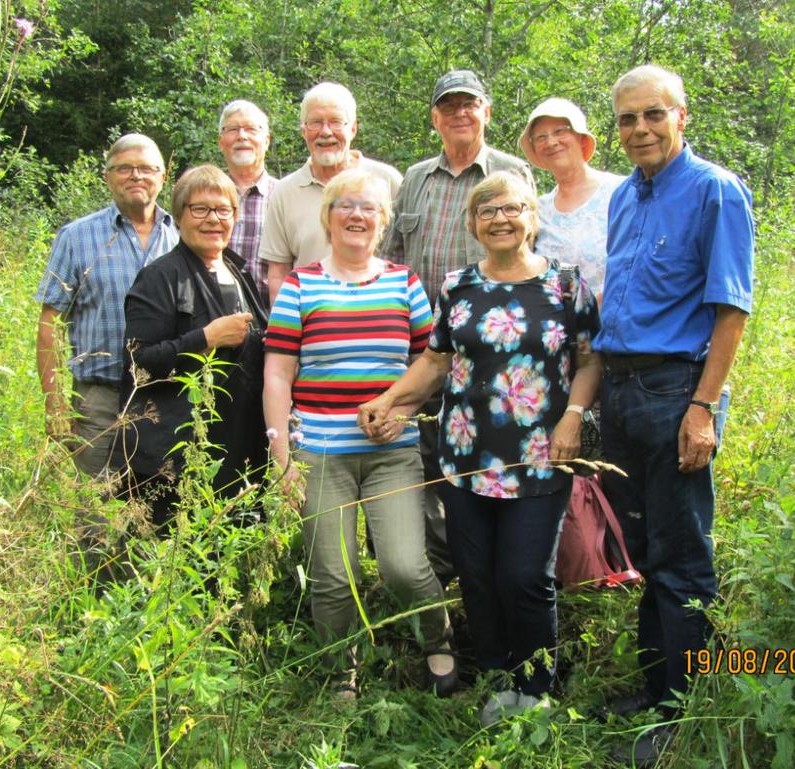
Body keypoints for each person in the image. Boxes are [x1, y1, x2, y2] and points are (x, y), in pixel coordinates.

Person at [359, 172, 601, 726]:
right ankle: (496, 676)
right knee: (476, 572)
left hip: (540, 454)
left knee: (523, 575)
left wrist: (572, 417)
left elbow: (590, 361)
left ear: (531, 217)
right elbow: (436, 361)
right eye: (486, 211)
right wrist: (390, 398)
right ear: (472, 224)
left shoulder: (566, 287)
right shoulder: (456, 286)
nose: (499, 219)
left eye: (510, 208)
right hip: (465, 454)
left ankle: (535, 684)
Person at [595, 64, 753, 766]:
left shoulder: (715, 191)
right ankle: (654, 687)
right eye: (627, 119)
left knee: (683, 554)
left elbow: (731, 309)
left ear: (681, 116)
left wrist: (702, 408)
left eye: (653, 115)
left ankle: (682, 710)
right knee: (645, 548)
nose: (639, 130)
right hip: (622, 390)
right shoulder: (624, 196)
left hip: (675, 390)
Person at [263, 168, 454, 700]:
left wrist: (404, 406)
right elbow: (278, 372)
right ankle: (339, 673)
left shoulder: (404, 282)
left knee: (404, 565)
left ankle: (438, 640)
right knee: (331, 573)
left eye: (368, 207)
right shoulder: (302, 284)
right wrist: (281, 452)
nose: (356, 215)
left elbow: (430, 361)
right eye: (345, 205)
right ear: (327, 218)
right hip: (321, 453)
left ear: (384, 220)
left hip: (392, 451)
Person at [379, 69, 535, 587]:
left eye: (470, 105)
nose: (460, 114)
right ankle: (433, 581)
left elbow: (532, 259)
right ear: (435, 118)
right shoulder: (417, 178)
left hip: (490, 360)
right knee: (421, 466)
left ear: (487, 113)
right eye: (449, 107)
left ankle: (484, 582)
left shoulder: (513, 173)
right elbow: (393, 260)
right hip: (422, 353)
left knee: (481, 468)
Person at [35, 134, 179, 571]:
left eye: (147, 168)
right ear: (107, 176)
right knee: (95, 514)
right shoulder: (78, 236)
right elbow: (48, 322)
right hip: (97, 397)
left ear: (163, 177)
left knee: (157, 510)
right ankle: (91, 609)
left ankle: (145, 605)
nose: (137, 176)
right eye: (125, 168)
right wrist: (54, 401)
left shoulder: (181, 235)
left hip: (164, 399)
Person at [117, 164, 268, 528]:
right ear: (180, 215)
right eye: (200, 209)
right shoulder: (160, 277)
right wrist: (205, 339)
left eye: (223, 210)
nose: (213, 219)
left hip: (238, 444)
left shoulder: (238, 270)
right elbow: (140, 362)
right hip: (179, 449)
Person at [260, 81, 402, 304]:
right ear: (304, 131)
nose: (325, 132)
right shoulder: (284, 192)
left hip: (379, 317)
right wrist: (285, 329)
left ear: (353, 128)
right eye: (315, 123)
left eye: (335, 122)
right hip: (312, 323)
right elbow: (278, 272)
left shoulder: (388, 181)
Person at [519, 97, 624, 302]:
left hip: (616, 323)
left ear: (580, 138)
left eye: (560, 131)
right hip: (559, 326)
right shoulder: (539, 210)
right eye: (541, 137)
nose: (551, 142)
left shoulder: (620, 192)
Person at [218, 100, 278, 307]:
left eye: (251, 129)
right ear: (220, 141)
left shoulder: (285, 196)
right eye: (233, 129)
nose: (242, 136)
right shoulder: (205, 196)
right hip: (212, 321)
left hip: (271, 321)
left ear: (267, 140)